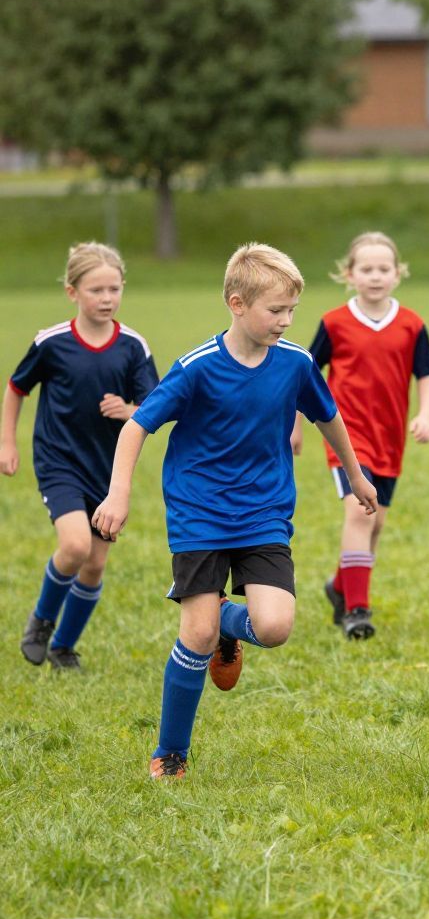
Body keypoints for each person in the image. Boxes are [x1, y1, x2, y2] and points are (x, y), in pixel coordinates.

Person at [92, 243, 377, 780]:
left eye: (292, 310)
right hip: (198, 513)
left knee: (274, 627)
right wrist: (118, 494)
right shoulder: (197, 367)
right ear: (237, 303)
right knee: (195, 636)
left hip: (264, 513)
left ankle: (228, 621)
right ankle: (171, 753)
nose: (286, 321)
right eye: (276, 310)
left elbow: (328, 415)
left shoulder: (295, 363)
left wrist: (356, 474)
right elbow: (137, 426)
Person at [1, 242, 158, 671]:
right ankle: (41, 622)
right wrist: (7, 442)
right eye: (96, 290)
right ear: (73, 292)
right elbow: (16, 388)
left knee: (94, 565)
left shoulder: (133, 346)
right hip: (59, 461)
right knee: (74, 545)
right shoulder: (51, 343)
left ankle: (63, 648)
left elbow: (156, 406)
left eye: (114, 289)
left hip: (107, 469)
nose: (107, 298)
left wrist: (129, 410)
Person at [293, 232, 429, 640]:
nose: (375, 276)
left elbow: (426, 374)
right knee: (360, 513)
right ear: (350, 274)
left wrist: (425, 415)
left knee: (375, 525)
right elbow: (304, 375)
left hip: (389, 438)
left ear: (397, 274)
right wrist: (295, 425)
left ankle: (340, 585)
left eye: (383, 269)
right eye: (366, 269)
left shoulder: (412, 324)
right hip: (346, 435)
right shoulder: (334, 323)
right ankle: (357, 609)